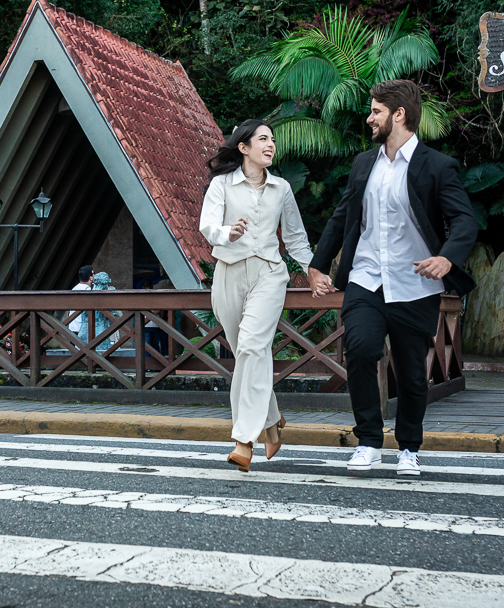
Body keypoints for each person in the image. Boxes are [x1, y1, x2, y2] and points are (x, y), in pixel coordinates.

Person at [307, 79, 477, 477]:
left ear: (398, 114)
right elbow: (342, 217)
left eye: (376, 111)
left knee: (412, 370)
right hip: (366, 279)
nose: (369, 118)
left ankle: (408, 448)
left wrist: (446, 259)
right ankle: (368, 440)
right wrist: (318, 264)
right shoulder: (363, 164)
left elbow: (464, 221)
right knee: (362, 349)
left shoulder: (437, 166)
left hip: (415, 283)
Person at [199, 119, 313, 472]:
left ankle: (243, 439)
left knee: (250, 346)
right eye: (262, 139)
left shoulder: (282, 189)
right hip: (229, 273)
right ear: (243, 147)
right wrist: (227, 233)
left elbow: (295, 238)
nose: (270, 144)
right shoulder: (221, 185)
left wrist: (314, 270)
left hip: (269, 273)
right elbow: (207, 225)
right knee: (251, 353)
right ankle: (272, 421)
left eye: (273, 140)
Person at [68, 265, 94, 337]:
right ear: (90, 277)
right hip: (83, 328)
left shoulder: (74, 288)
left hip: (73, 327)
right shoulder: (87, 291)